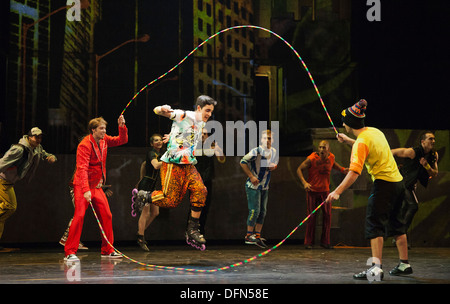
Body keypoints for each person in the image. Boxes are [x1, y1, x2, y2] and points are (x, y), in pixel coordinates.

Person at [326, 99, 411, 280]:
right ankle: (404, 264)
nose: (342, 124)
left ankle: (376, 269)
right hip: (398, 184)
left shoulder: (361, 143)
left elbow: (354, 173)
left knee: (375, 225)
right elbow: (366, 145)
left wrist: (337, 191)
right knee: (397, 224)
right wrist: (349, 140)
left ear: (349, 124)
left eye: (344, 122)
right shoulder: (374, 132)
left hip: (384, 185)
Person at [134, 95, 216, 250]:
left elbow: (186, 136)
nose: (209, 114)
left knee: (201, 190)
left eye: (211, 112)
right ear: (199, 108)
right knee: (170, 200)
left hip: (189, 165)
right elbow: (158, 111)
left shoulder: (200, 123)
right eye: (207, 110)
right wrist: (161, 109)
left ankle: (192, 229)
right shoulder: (185, 115)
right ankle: (144, 196)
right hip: (173, 163)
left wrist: (172, 136)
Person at [64, 116, 128, 262]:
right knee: (79, 216)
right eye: (101, 128)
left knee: (107, 215)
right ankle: (69, 252)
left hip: (96, 186)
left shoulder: (104, 140)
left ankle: (107, 250)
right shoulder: (85, 145)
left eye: (105, 128)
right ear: (93, 130)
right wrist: (85, 189)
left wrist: (121, 126)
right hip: (82, 185)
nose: (104, 131)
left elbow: (121, 140)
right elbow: (82, 168)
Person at [0, 127, 57, 249]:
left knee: (3, 215)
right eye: (36, 137)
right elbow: (2, 163)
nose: (39, 140)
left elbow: (44, 154)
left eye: (40, 137)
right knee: (9, 207)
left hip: (9, 183)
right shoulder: (19, 149)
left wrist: (51, 157)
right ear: (29, 137)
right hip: (2, 181)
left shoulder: (36, 148)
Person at [297, 140, 348, 249]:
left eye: (323, 148)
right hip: (312, 191)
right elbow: (299, 169)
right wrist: (304, 183)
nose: (321, 150)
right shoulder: (312, 158)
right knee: (311, 217)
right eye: (320, 147)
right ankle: (308, 242)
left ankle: (325, 242)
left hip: (325, 192)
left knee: (327, 216)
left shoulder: (331, 157)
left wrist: (343, 170)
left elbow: (334, 165)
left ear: (328, 149)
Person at [391, 132, 438, 237]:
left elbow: (434, 173)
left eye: (434, 139)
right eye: (430, 139)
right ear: (423, 142)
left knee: (405, 208)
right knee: (413, 206)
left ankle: (399, 235)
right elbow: (392, 152)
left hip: (412, 184)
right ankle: (401, 233)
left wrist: (427, 166)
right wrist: (391, 168)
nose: (433, 141)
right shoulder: (413, 152)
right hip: (403, 182)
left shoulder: (434, 155)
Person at [240, 130, 278, 248]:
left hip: (264, 186)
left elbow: (271, 164)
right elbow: (243, 161)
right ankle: (248, 235)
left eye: (270, 138)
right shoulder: (256, 151)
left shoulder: (273, 151)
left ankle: (257, 235)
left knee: (262, 211)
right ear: (261, 140)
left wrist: (274, 166)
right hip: (254, 186)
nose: (267, 140)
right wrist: (251, 176)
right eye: (265, 138)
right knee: (254, 210)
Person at [189, 128, 225, 235]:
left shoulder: (212, 145)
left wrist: (218, 150)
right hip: (194, 182)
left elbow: (222, 159)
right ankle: (190, 231)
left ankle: (201, 231)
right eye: (201, 133)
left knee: (205, 207)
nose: (204, 135)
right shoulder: (193, 146)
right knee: (194, 206)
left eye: (205, 133)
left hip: (207, 180)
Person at [134, 134, 165, 251]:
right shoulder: (152, 153)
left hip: (151, 186)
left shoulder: (159, 154)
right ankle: (141, 237)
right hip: (146, 186)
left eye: (160, 140)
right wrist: (169, 160)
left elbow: (144, 164)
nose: (159, 142)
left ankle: (140, 233)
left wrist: (140, 178)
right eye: (156, 140)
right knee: (146, 212)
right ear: (152, 143)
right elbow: (156, 166)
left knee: (155, 212)